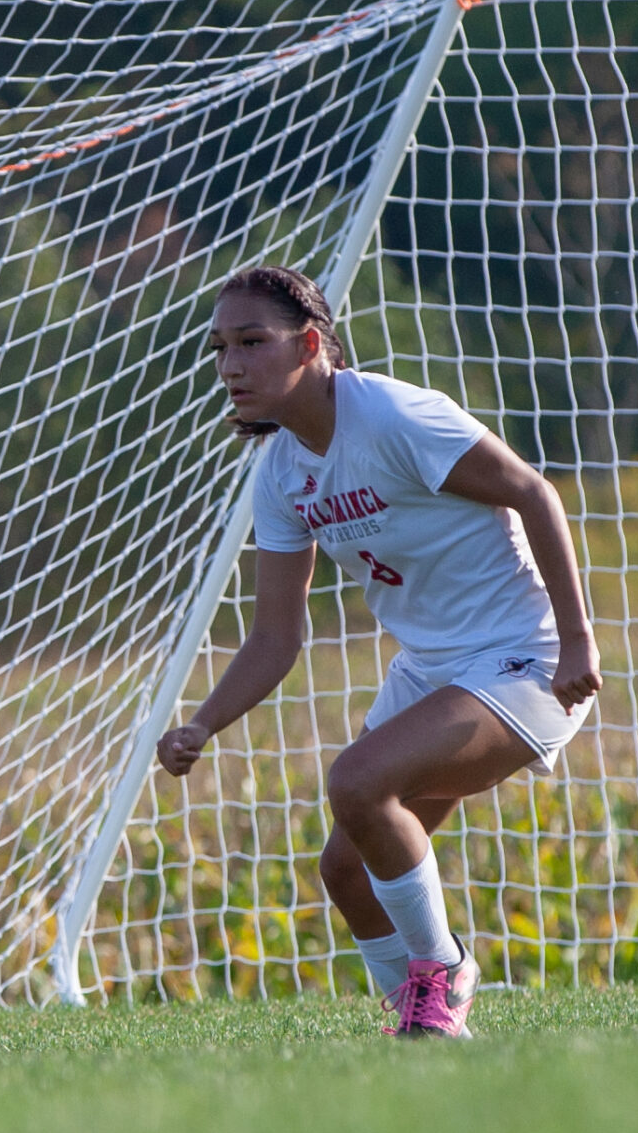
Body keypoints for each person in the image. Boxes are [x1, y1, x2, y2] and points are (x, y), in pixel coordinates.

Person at [156, 265, 603, 1038]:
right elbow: (275, 636)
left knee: (357, 781)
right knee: (345, 869)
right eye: (220, 347)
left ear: (311, 343)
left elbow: (535, 492)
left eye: (252, 342)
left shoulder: (395, 416)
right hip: (434, 669)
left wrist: (576, 638)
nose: (231, 365)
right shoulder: (282, 473)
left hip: (523, 658)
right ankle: (425, 1030)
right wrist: (204, 722)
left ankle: (445, 970)